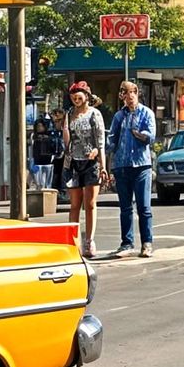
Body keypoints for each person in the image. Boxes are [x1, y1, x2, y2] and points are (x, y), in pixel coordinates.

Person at [108, 80, 157, 258]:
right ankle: (127, 243)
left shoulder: (146, 113)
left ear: (136, 93)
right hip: (122, 165)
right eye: (124, 94)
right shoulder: (119, 116)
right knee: (125, 207)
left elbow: (151, 136)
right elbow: (111, 139)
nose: (128, 98)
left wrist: (140, 135)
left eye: (131, 94)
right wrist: (107, 152)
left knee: (144, 207)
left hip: (141, 164)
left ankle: (147, 243)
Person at [63, 81, 107, 258]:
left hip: (91, 163)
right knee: (74, 205)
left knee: (89, 204)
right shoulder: (69, 114)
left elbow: (101, 141)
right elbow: (66, 140)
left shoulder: (94, 114)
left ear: (87, 96)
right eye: (73, 96)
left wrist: (102, 165)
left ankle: (89, 240)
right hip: (73, 162)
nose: (76, 99)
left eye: (79, 95)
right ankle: (73, 241)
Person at [31, 115, 62, 194]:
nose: (39, 128)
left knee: (48, 182)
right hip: (37, 162)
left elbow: (55, 147)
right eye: (38, 126)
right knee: (39, 182)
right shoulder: (34, 136)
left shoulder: (51, 136)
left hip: (48, 162)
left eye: (41, 126)